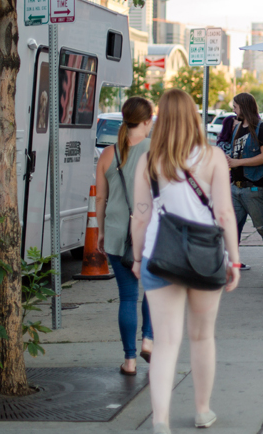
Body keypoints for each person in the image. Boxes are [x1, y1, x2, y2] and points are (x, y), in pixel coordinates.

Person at [131, 88, 240, 434]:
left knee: (164, 342)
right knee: (202, 337)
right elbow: (224, 212)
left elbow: (140, 216)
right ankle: (202, 412)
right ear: (195, 117)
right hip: (205, 256)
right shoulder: (213, 158)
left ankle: (160, 421)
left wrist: (136, 258)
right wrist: (234, 261)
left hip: (159, 257)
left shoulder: (149, 161)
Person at [95, 96, 154, 376]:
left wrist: (101, 232)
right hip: (150, 234)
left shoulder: (108, 154)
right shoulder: (156, 150)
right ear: (146, 121)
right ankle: (148, 340)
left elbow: (101, 199)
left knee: (127, 297)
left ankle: (129, 361)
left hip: (118, 234)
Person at [225, 93, 263, 268]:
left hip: (253, 188)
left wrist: (238, 162)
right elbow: (236, 154)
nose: (233, 109)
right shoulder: (237, 127)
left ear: (244, 107)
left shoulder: (262, 127)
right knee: (231, 229)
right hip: (235, 188)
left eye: (236, 106)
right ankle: (232, 264)